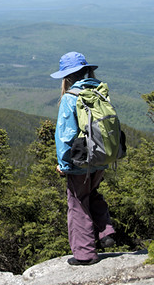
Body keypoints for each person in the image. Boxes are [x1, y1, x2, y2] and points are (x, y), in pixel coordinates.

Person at [50, 51, 116, 266]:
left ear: (67, 77)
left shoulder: (71, 98)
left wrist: (64, 164)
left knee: (77, 203)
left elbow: (66, 136)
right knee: (92, 194)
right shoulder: (99, 91)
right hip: (102, 157)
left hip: (81, 161)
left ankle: (84, 255)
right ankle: (106, 232)